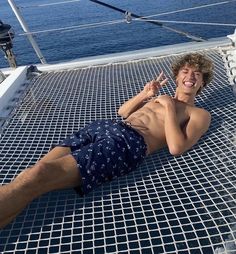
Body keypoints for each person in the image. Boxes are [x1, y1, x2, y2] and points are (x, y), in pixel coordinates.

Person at [0, 53, 214, 229]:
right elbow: (123, 112)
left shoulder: (198, 113)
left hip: (127, 144)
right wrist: (145, 94)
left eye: (197, 73)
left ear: (203, 82)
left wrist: (168, 106)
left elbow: (177, 147)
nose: (190, 76)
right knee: (31, 174)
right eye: (185, 71)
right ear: (177, 77)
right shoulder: (160, 96)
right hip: (103, 127)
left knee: (38, 174)